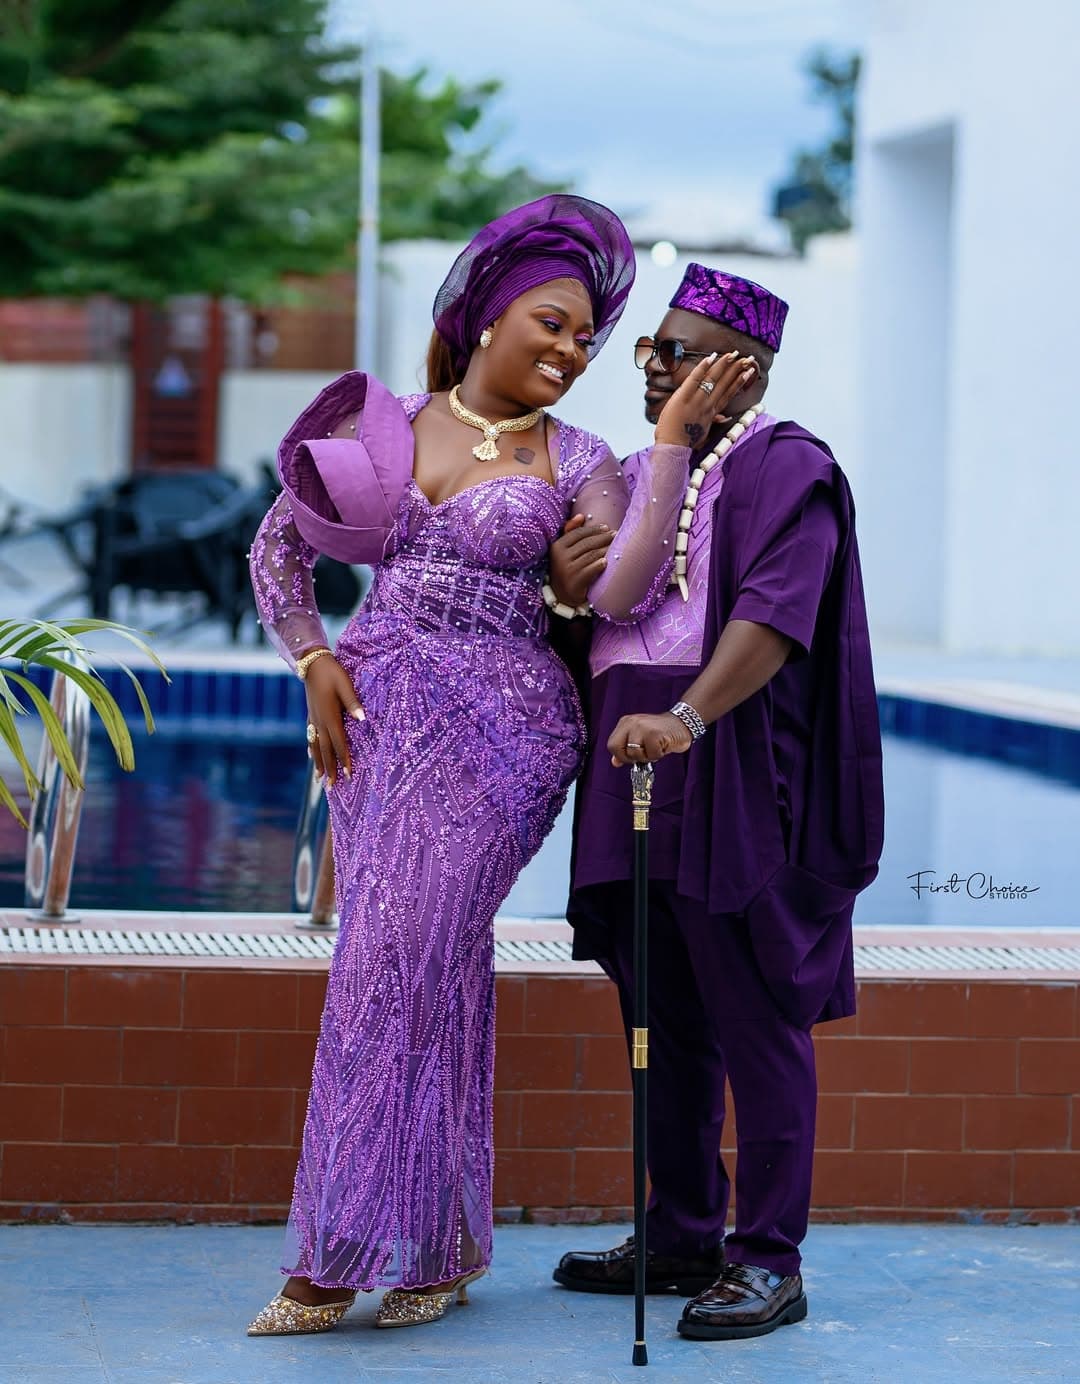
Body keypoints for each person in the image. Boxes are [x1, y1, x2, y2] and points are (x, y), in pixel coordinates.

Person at [245, 202, 756, 1337]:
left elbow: (618, 590)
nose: (570, 352)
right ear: (485, 315)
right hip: (376, 721)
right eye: (553, 324)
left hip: (506, 729)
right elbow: (277, 545)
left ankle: (334, 1253)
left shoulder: (580, 458)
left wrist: (665, 441)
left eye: (586, 338)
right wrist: (313, 656)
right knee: (415, 962)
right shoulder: (383, 422)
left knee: (397, 954)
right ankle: (437, 1243)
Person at [548, 263, 885, 1341]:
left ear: (743, 369)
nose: (653, 368)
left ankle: (767, 1258)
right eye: (649, 350)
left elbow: (776, 618)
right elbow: (603, 624)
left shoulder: (789, 468)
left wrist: (687, 720)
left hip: (731, 776)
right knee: (660, 1017)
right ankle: (681, 1230)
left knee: (755, 1019)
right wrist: (563, 585)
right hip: (631, 774)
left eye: (677, 352)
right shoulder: (651, 476)